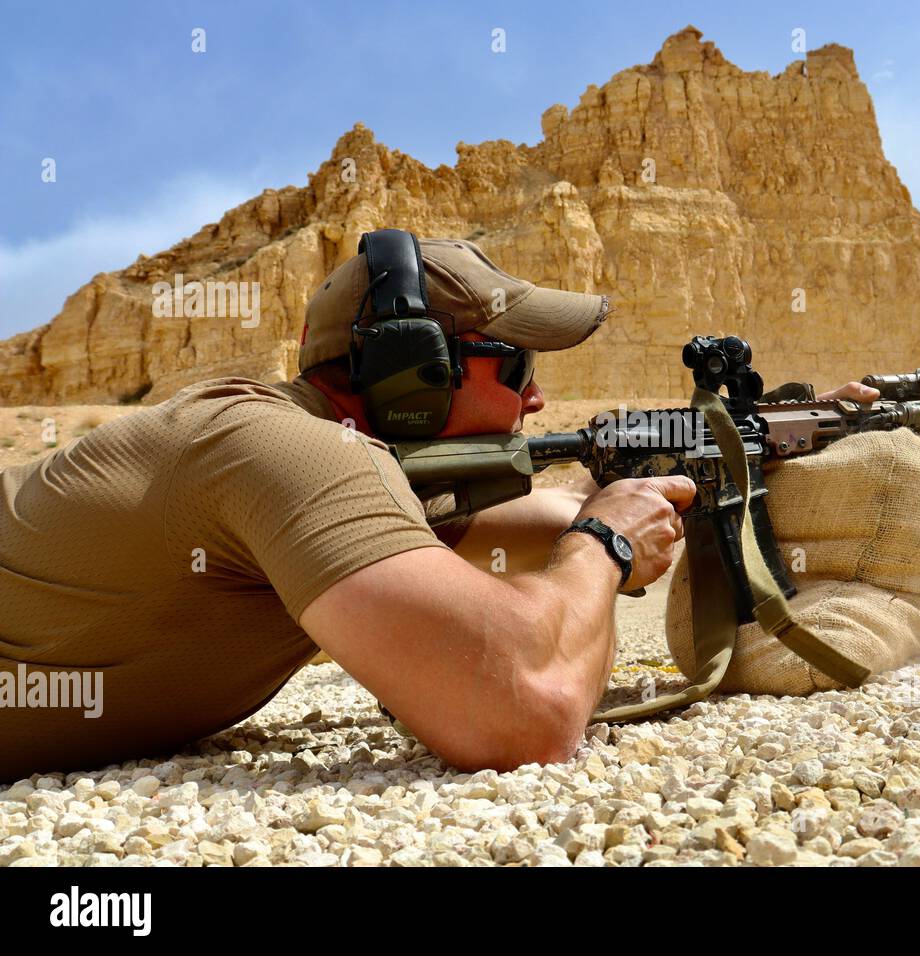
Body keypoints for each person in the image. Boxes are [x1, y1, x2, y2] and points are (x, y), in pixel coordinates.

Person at [0, 235, 875, 780]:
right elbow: (524, 710)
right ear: (416, 374)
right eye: (519, 370)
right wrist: (608, 544)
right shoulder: (289, 452)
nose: (536, 404)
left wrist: (774, 437)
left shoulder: (319, 452)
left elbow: (530, 525)